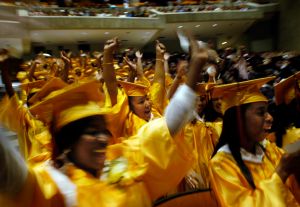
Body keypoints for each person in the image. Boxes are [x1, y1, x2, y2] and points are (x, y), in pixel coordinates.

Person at [0, 32, 209, 207]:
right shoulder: (54, 186)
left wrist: (194, 71)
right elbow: (9, 171)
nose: (102, 138)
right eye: (91, 132)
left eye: (103, 130)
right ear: (68, 142)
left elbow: (165, 130)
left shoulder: (117, 159)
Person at [209, 76, 300, 206]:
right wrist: (283, 171)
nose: (270, 118)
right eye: (260, 112)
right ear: (239, 119)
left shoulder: (270, 150)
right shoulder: (221, 164)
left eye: (267, 111)